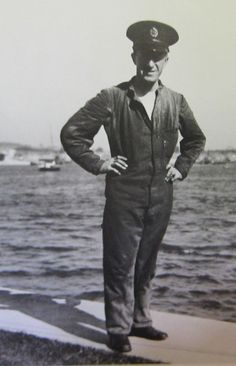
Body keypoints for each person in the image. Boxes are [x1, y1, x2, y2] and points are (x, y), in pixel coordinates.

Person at [60, 20, 206, 353]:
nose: (151, 62)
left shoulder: (176, 101)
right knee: (119, 263)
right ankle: (117, 327)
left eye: (158, 55)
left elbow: (196, 138)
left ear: (167, 58)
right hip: (123, 198)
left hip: (160, 199)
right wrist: (99, 163)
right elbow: (72, 134)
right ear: (134, 56)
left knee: (147, 262)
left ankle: (141, 321)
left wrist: (181, 168)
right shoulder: (111, 98)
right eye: (145, 54)